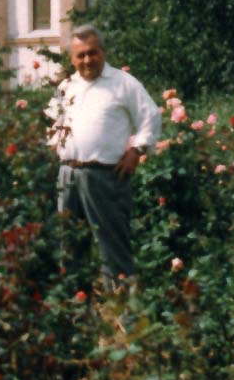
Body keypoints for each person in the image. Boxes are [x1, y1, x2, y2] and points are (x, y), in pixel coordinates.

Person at [47, 24, 160, 290]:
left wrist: (136, 150)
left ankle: (124, 318)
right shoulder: (66, 87)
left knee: (112, 248)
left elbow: (151, 117)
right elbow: (53, 123)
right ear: (72, 59)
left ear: (103, 52)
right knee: (69, 247)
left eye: (93, 53)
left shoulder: (123, 83)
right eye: (81, 55)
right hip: (68, 176)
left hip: (105, 177)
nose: (88, 60)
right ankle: (77, 314)